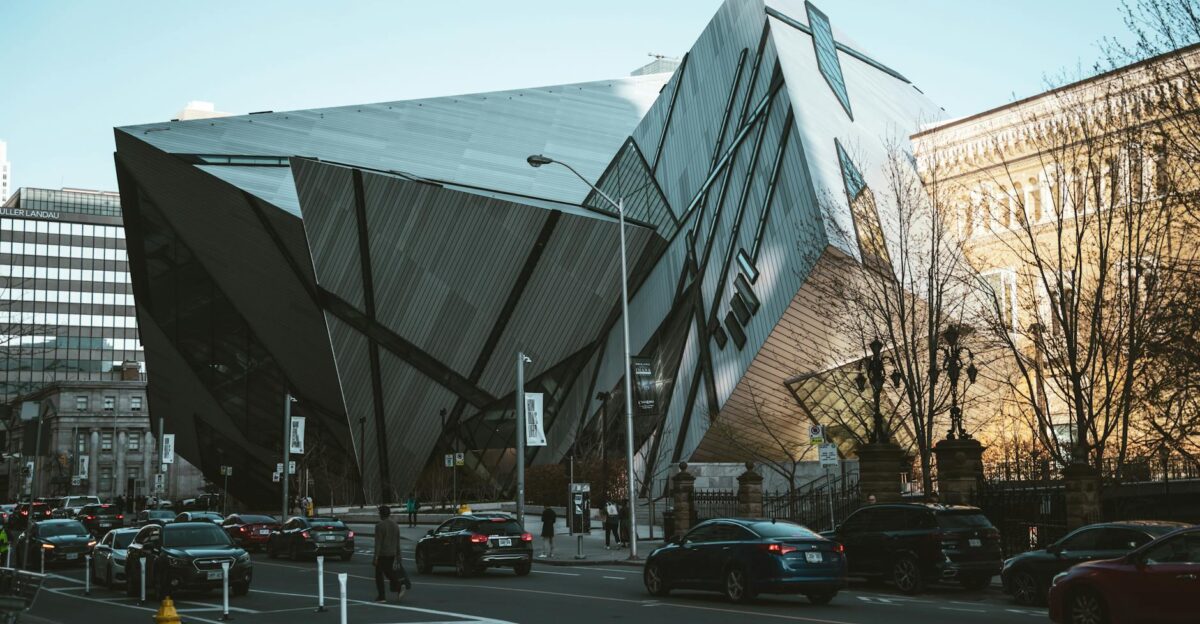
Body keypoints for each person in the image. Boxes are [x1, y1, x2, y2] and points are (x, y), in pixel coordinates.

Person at [373, 505, 411, 602]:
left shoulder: (379, 526)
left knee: (379, 575)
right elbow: (397, 541)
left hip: (382, 554)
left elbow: (378, 543)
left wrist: (375, 557)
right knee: (389, 572)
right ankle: (399, 586)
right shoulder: (395, 525)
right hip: (392, 553)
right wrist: (398, 555)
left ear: (381, 514)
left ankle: (382, 596)